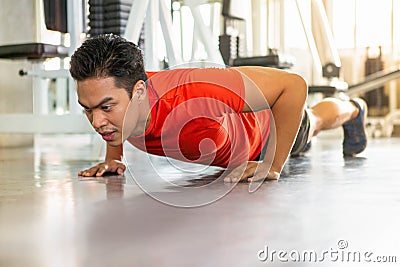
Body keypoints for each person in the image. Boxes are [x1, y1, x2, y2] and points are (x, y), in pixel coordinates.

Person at [69, 34, 367, 183]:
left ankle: (353, 109)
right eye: (87, 109)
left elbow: (294, 86)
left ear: (138, 93)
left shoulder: (193, 91)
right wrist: (113, 157)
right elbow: (104, 112)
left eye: (106, 107)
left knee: (314, 120)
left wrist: (272, 165)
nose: (96, 122)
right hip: (235, 147)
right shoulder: (117, 104)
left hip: (267, 131)